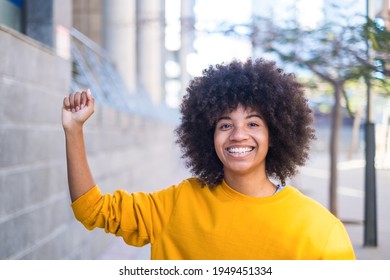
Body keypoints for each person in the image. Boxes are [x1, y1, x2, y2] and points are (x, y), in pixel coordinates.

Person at [62, 58, 355, 260]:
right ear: (208, 136)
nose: (238, 135)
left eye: (253, 124)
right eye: (225, 125)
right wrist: (73, 130)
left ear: (276, 134)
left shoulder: (320, 231)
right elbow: (91, 209)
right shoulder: (177, 204)